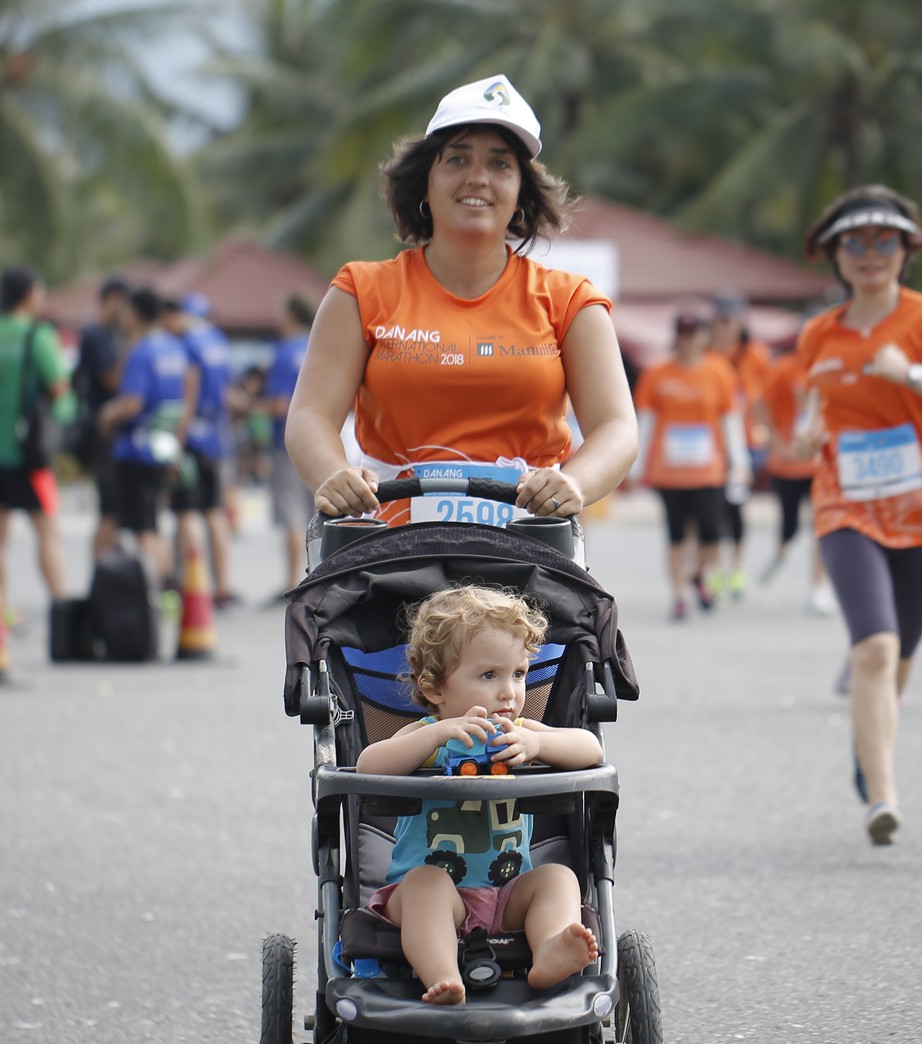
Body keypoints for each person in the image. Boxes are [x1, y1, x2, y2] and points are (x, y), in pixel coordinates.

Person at [284, 75, 638, 534]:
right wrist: (335, 476)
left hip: (529, 550)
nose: (478, 178)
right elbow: (310, 415)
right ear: (425, 184)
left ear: (520, 197)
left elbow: (617, 427)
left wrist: (574, 484)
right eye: (457, 159)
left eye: (500, 164)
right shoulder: (360, 291)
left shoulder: (572, 301)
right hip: (389, 550)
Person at [788, 185, 922, 845]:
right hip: (845, 506)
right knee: (874, 648)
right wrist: (802, 433)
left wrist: (910, 375)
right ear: (836, 255)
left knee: (900, 655)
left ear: (908, 250)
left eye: (886, 240)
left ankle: (867, 740)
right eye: (855, 242)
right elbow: (813, 410)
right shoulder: (819, 333)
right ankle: (883, 793)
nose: (871, 253)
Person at [356, 585, 603, 1005]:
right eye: (489, 676)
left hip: (508, 893)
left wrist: (540, 747)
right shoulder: (426, 736)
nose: (509, 692)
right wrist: (432, 734)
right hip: (433, 896)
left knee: (557, 878)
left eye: (519, 674)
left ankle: (549, 950)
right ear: (435, 689)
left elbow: (591, 749)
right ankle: (443, 976)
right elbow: (368, 766)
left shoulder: (520, 733)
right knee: (425, 885)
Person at [0, 265, 72, 622]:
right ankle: (61, 609)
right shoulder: (37, 336)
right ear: (28, 295)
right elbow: (59, 390)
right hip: (31, 454)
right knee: (47, 532)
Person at [633, 310, 748, 620]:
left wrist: (739, 460)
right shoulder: (658, 373)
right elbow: (647, 421)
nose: (689, 340)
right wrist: (635, 464)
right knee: (675, 534)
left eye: (695, 333)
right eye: (683, 333)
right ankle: (681, 595)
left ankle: (700, 574)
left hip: (708, 469)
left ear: (705, 336)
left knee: (711, 532)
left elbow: (730, 419)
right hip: (669, 471)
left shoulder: (719, 371)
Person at [97, 287, 194, 588]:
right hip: (161, 444)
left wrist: (107, 414)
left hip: (136, 448)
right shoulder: (174, 348)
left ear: (136, 313)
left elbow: (132, 402)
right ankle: (168, 587)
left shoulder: (141, 350)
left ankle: (154, 591)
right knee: (153, 523)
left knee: (142, 530)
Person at [164, 292, 238, 608]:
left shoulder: (188, 345)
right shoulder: (218, 341)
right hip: (216, 438)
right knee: (214, 513)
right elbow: (227, 394)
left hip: (193, 438)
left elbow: (188, 399)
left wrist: (175, 445)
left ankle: (191, 584)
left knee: (186, 514)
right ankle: (223, 586)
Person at [758, 339, 835, 614]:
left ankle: (818, 586)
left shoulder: (832, 367)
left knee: (821, 525)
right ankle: (781, 552)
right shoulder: (785, 368)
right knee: (789, 525)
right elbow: (762, 405)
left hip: (821, 465)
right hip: (788, 461)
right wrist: (777, 442)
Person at [710, 292, 770, 600]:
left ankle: (735, 568)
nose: (725, 326)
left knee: (735, 507)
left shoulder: (754, 354)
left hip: (744, 440)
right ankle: (715, 568)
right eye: (720, 319)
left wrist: (764, 431)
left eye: (730, 320)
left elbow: (759, 397)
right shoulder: (705, 352)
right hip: (710, 443)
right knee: (711, 510)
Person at [75, 277, 133, 559]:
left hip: (110, 432)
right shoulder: (95, 334)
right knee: (110, 510)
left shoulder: (107, 334)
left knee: (116, 511)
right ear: (112, 300)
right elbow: (111, 380)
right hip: (102, 433)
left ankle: (108, 573)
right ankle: (102, 577)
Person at [261, 291, 315, 595]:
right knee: (315, 513)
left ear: (292, 315)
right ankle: (318, 575)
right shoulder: (315, 344)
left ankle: (293, 580)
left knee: (292, 515)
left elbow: (281, 404)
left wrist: (247, 405)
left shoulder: (284, 352)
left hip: (288, 443)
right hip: (322, 439)